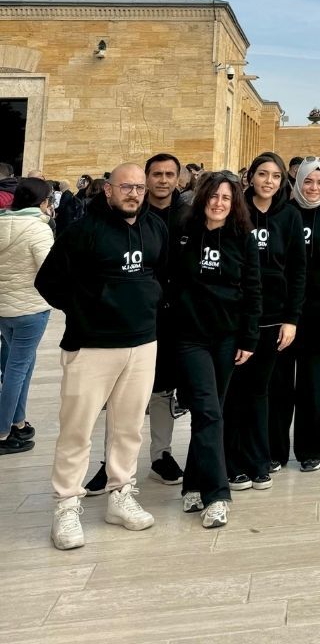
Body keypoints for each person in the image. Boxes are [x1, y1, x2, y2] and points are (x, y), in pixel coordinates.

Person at [35, 163, 168, 550]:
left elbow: (159, 276)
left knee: (128, 427)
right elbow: (48, 281)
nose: (134, 194)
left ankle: (121, 494)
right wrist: (85, 312)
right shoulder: (83, 231)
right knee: (77, 429)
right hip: (92, 345)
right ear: (108, 189)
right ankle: (66, 504)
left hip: (142, 343)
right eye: (126, 187)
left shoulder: (155, 227)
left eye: (139, 188)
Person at [168, 172, 260, 528]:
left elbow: (253, 291)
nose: (219, 203)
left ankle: (193, 482)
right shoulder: (185, 235)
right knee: (207, 410)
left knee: (211, 413)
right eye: (214, 196)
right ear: (203, 197)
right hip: (191, 338)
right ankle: (218, 494)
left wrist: (248, 339)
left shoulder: (243, 239)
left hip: (226, 337)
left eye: (226, 197)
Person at [224, 152, 306, 490]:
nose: (268, 181)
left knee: (260, 393)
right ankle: (231, 462)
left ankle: (259, 459)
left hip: (274, 318)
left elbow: (298, 270)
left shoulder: (289, 217)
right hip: (237, 318)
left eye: (275, 176)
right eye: (262, 174)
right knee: (234, 394)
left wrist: (292, 318)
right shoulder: (235, 212)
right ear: (251, 177)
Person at [270, 158, 320, 472]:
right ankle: (274, 450)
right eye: (307, 182)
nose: (313, 188)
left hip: (319, 314)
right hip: (286, 313)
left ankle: (310, 449)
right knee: (279, 386)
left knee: (314, 386)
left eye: (319, 183)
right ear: (297, 181)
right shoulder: (285, 214)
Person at [142, 152, 188, 487]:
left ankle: (161, 454)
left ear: (178, 179)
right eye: (156, 174)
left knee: (162, 389)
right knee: (123, 395)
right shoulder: (130, 213)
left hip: (175, 316)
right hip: (135, 317)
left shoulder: (188, 217)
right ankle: (111, 461)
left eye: (169, 174)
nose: (163, 180)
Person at [0, 177, 54, 455]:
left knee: (19, 366)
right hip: (30, 310)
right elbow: (49, 271)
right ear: (43, 202)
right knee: (17, 370)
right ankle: (2, 431)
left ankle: (17, 421)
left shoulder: (1, 222)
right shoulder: (38, 230)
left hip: (4, 309)